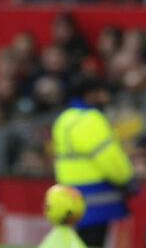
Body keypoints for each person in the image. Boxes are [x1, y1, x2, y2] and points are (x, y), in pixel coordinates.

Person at [52, 75, 138, 247]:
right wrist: (127, 179)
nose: (105, 97)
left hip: (70, 192)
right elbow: (109, 159)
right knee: (94, 241)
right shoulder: (91, 119)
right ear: (90, 95)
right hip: (96, 194)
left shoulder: (64, 119)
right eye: (101, 92)